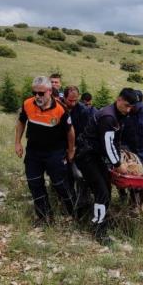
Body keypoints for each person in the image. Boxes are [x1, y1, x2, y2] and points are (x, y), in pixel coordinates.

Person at [75, 88, 139, 244]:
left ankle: (97, 219)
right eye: (127, 105)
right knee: (102, 191)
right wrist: (118, 164)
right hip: (87, 156)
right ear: (119, 99)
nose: (129, 109)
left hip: (96, 156)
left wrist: (120, 159)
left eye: (132, 107)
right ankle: (98, 230)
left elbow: (115, 142)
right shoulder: (108, 117)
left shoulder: (119, 115)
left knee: (106, 190)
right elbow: (107, 144)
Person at [15, 76, 76, 225]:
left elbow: (70, 131)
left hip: (54, 152)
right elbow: (21, 122)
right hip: (34, 151)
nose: (37, 96)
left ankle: (74, 211)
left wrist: (71, 150)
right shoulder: (28, 104)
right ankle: (44, 217)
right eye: (34, 92)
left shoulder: (60, 109)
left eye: (41, 93)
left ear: (49, 91)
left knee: (60, 183)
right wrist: (17, 142)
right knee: (34, 183)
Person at [62, 85, 95, 213]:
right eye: (70, 100)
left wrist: (74, 147)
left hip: (78, 149)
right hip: (61, 148)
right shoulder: (59, 108)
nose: (73, 103)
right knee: (63, 176)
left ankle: (83, 202)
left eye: (75, 100)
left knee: (79, 176)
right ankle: (67, 202)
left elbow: (86, 132)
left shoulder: (83, 111)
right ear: (64, 97)